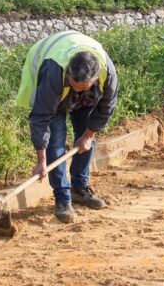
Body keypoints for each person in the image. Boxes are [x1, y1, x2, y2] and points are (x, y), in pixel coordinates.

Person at [16, 30, 118, 223]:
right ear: (68, 72)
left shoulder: (108, 74)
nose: (76, 90)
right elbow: (40, 117)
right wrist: (41, 160)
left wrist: (87, 136)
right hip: (54, 92)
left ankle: (79, 188)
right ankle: (62, 198)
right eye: (73, 85)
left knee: (87, 137)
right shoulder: (53, 72)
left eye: (82, 87)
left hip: (89, 98)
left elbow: (106, 108)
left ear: (95, 79)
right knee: (56, 144)